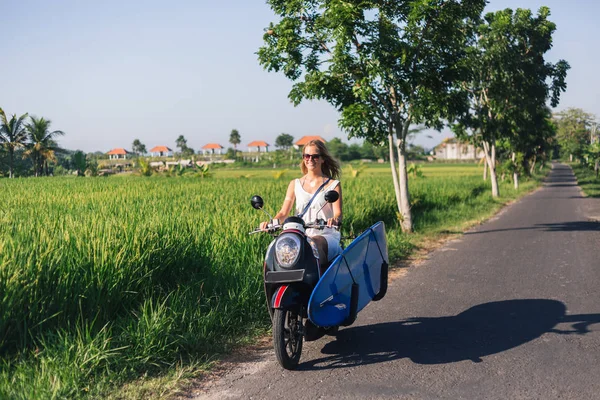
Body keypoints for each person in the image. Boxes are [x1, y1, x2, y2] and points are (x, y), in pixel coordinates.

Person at [260, 139, 342, 267]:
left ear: (322, 159)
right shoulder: (295, 184)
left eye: (315, 156)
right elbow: (283, 212)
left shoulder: (333, 185)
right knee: (279, 247)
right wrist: (271, 223)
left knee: (314, 244)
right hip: (300, 235)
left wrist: (335, 220)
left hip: (325, 235)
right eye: (307, 156)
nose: (310, 159)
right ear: (303, 158)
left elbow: (338, 213)